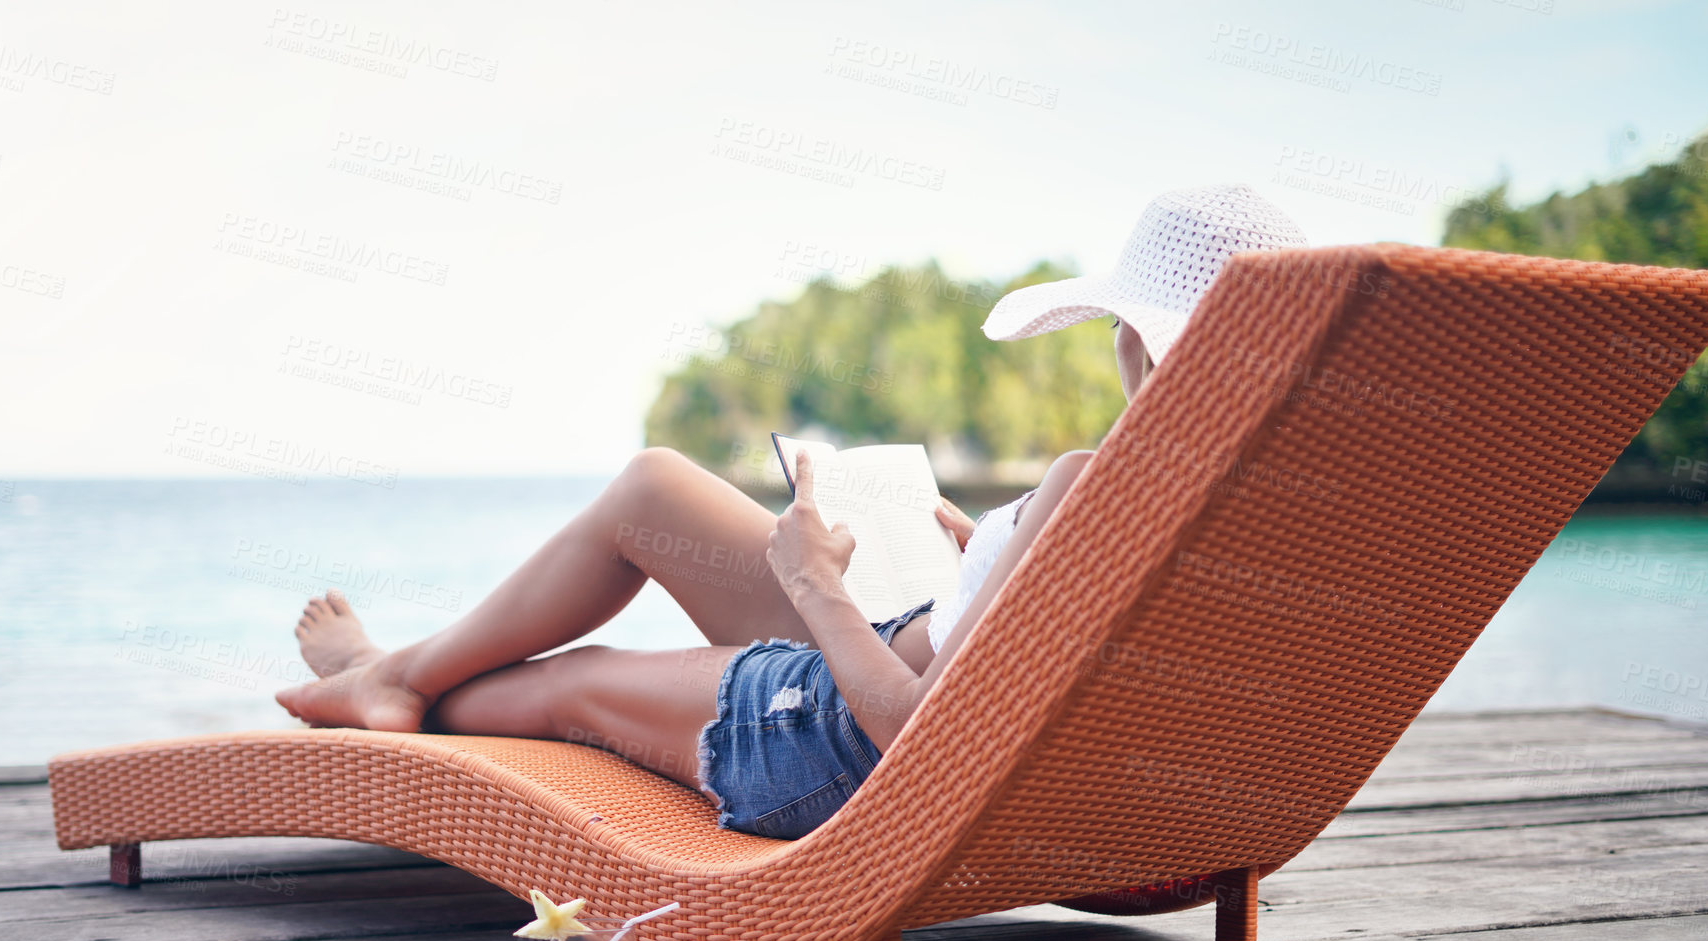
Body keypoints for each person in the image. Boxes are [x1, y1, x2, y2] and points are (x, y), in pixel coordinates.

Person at [275, 183, 1306, 840]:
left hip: (840, 740)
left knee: (569, 687)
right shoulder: (1282, 514)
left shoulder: (1099, 480)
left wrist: (814, 582)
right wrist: (989, 554)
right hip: (923, 671)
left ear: (1137, 340)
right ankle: (393, 671)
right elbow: (1041, 661)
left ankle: (387, 680)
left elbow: (918, 740)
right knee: (653, 491)